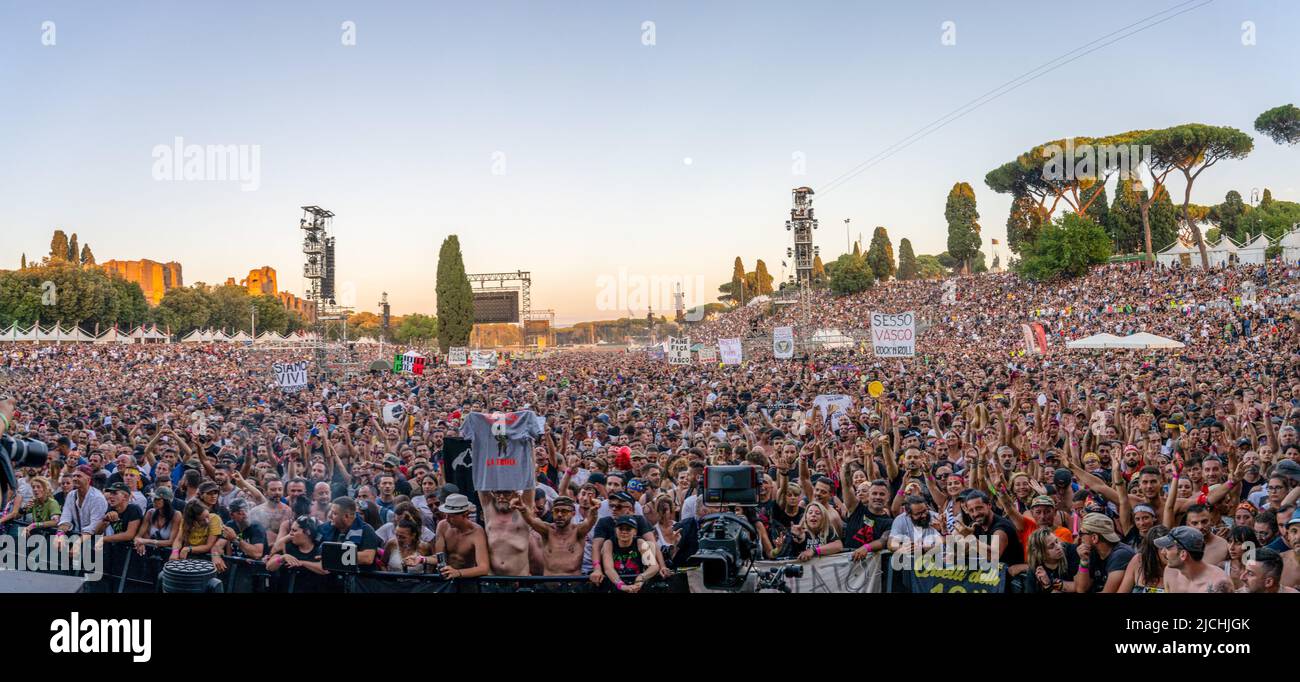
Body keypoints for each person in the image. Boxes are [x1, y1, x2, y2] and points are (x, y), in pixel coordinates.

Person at [516, 494, 599, 575]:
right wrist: (523, 509)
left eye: (564, 511)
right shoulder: (547, 530)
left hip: (573, 586)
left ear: (573, 513)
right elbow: (531, 520)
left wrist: (594, 510)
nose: (559, 515)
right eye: (556, 511)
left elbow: (589, 521)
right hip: (549, 586)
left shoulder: (578, 531)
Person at [431, 493, 490, 580]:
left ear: (465, 515)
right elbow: (439, 558)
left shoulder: (476, 532)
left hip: (467, 580)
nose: (447, 519)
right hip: (446, 579)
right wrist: (421, 559)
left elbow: (483, 568)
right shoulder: (443, 525)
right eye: (446, 514)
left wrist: (458, 573)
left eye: (451, 516)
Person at [1158, 525, 1233, 593]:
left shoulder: (1218, 584)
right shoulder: (1170, 572)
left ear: (1183, 554)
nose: (1162, 552)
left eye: (1168, 548)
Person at [1074, 512, 1134, 593]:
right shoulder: (1092, 552)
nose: (1079, 537)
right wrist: (1084, 561)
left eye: (1081, 533)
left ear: (1094, 538)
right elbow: (1081, 589)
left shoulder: (1121, 555)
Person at [266, 516, 330, 592]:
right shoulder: (287, 546)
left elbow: (325, 570)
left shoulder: (319, 548)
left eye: (294, 530)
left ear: (307, 532)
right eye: (291, 530)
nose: (290, 534)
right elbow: (269, 566)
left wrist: (302, 563)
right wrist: (282, 558)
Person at [318, 497, 381, 570]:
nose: (329, 516)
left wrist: (335, 556)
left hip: (359, 579)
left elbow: (367, 558)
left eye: (334, 513)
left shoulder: (366, 530)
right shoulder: (327, 528)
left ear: (346, 516)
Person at [601, 515, 659, 592]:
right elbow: (608, 569)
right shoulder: (609, 543)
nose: (624, 532)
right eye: (621, 528)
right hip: (616, 584)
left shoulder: (640, 543)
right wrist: (622, 586)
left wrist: (641, 577)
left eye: (628, 529)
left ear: (635, 532)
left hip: (637, 586)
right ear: (615, 530)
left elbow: (654, 566)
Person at [1025, 527, 1079, 593]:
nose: (1058, 547)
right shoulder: (1035, 569)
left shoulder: (1070, 551)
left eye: (1057, 541)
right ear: (1040, 553)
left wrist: (1049, 584)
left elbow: (1080, 588)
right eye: (1051, 546)